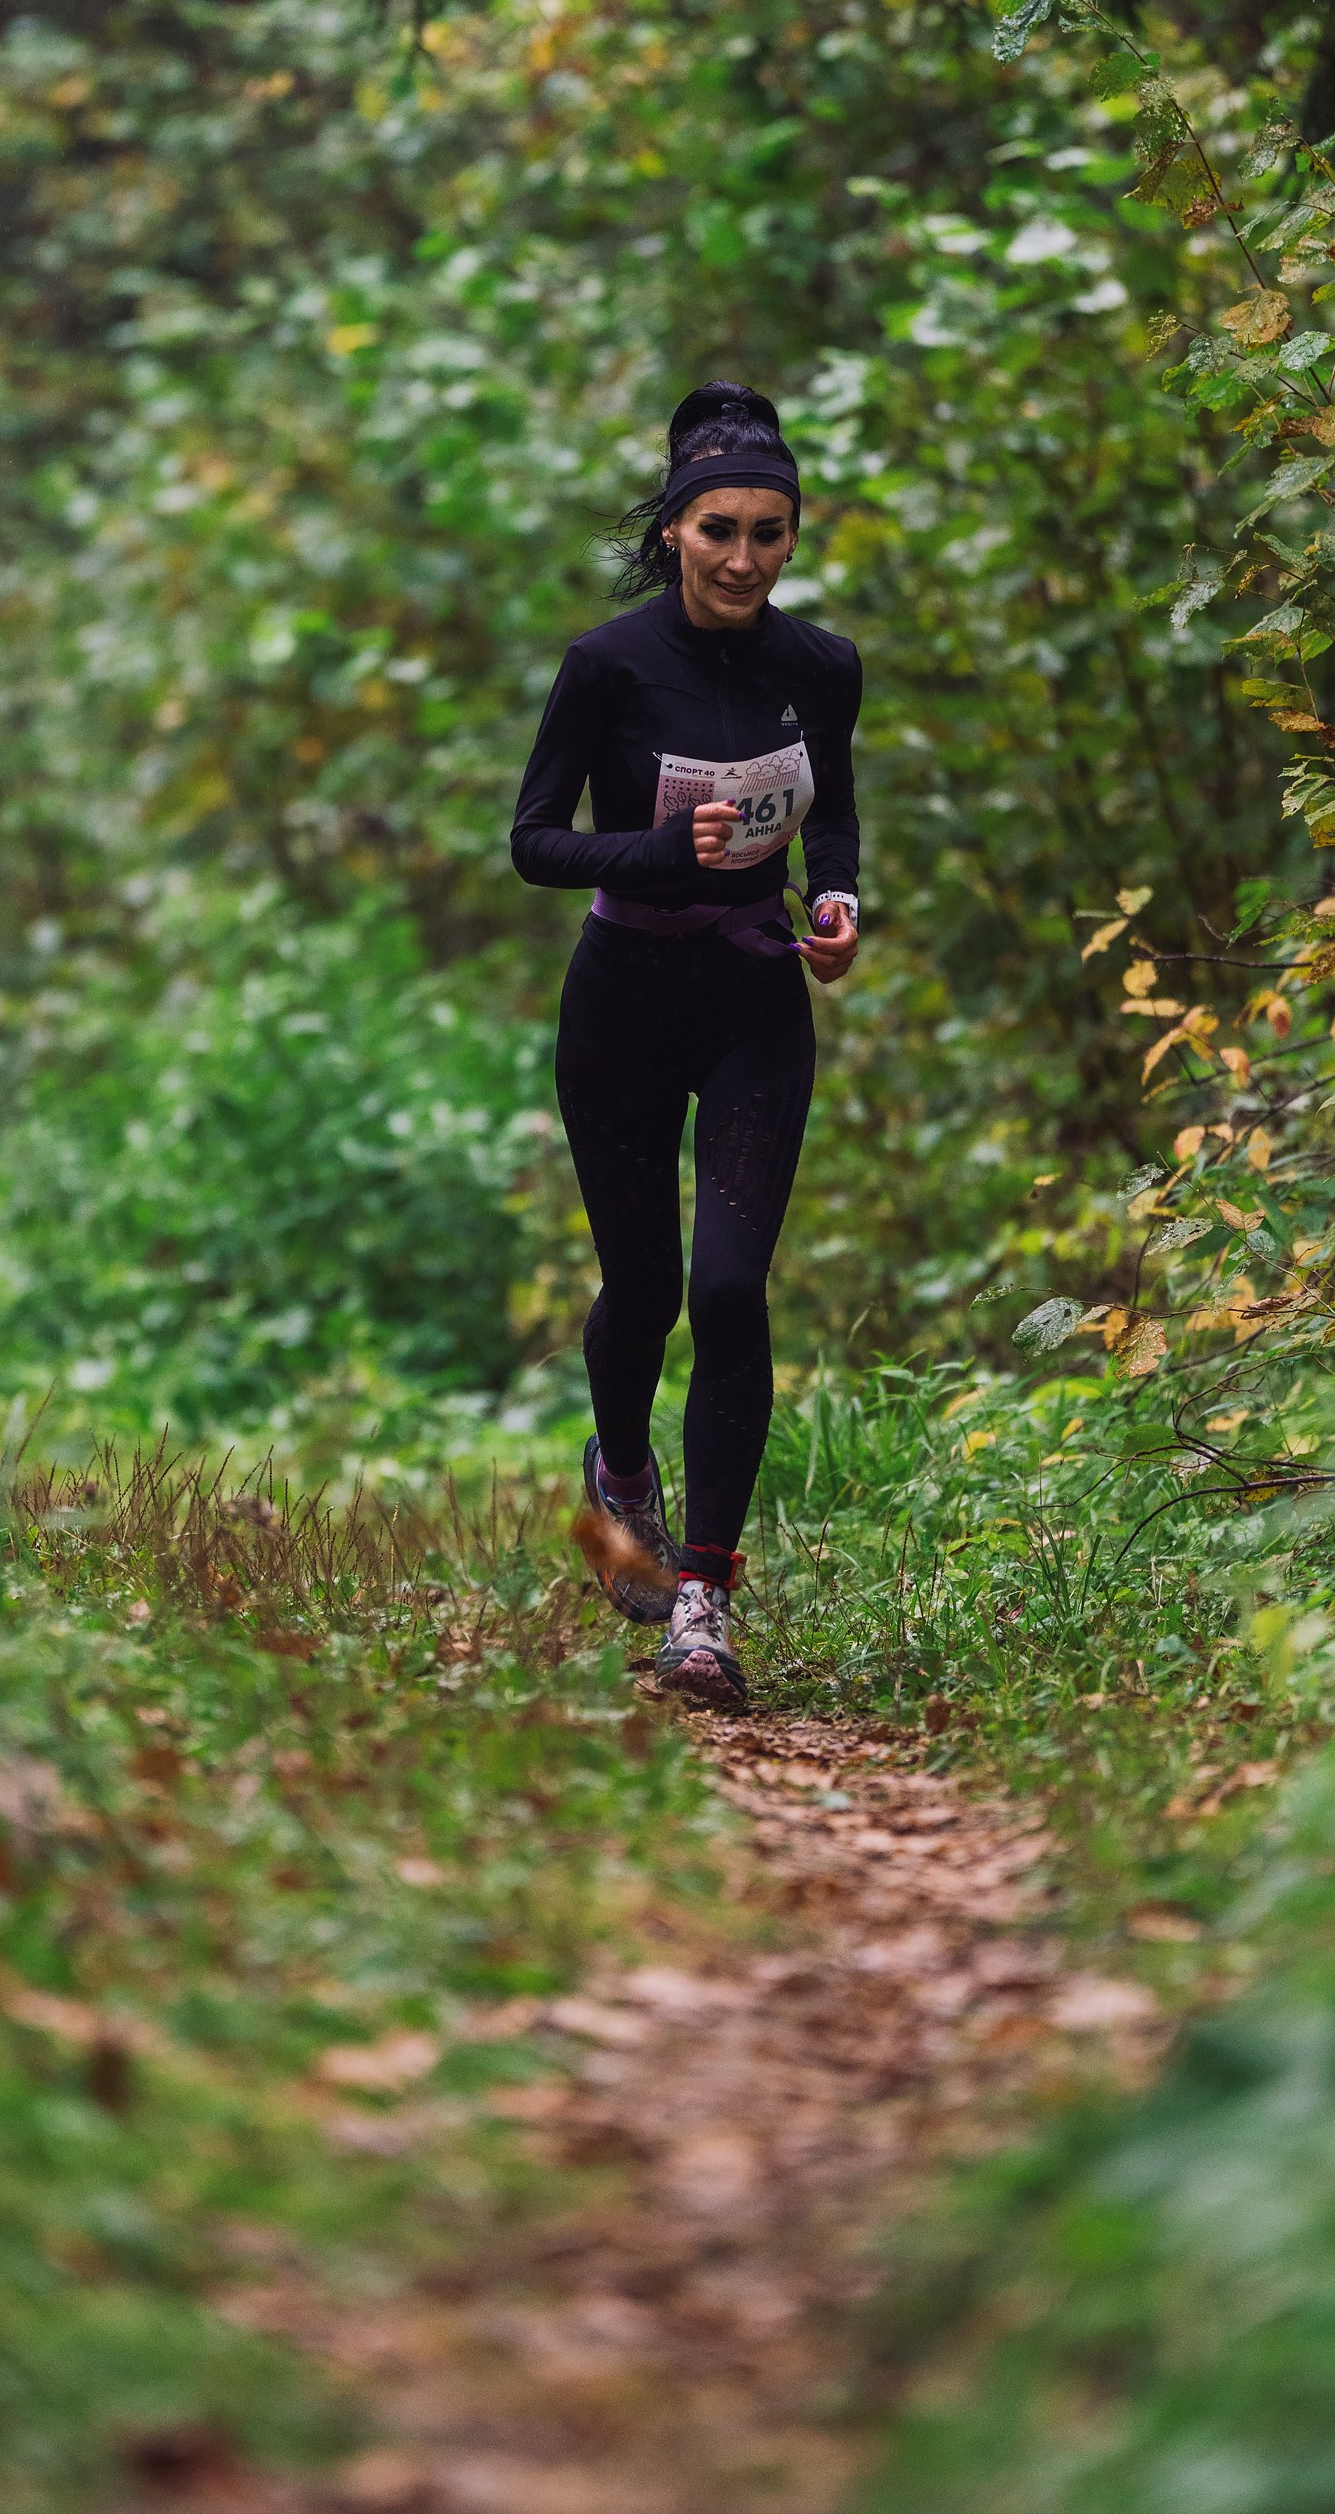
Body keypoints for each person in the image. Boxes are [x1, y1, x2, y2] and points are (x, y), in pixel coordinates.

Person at [511, 383, 861, 1708]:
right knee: (645, 1291)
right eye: (720, 530)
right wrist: (657, 853)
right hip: (620, 1005)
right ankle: (618, 1470)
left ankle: (702, 1603)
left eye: (770, 535)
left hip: (756, 1001)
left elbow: (835, 821)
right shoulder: (608, 665)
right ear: (674, 531)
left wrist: (836, 904)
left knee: (729, 1291)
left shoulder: (819, 666)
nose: (744, 560)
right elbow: (534, 841)